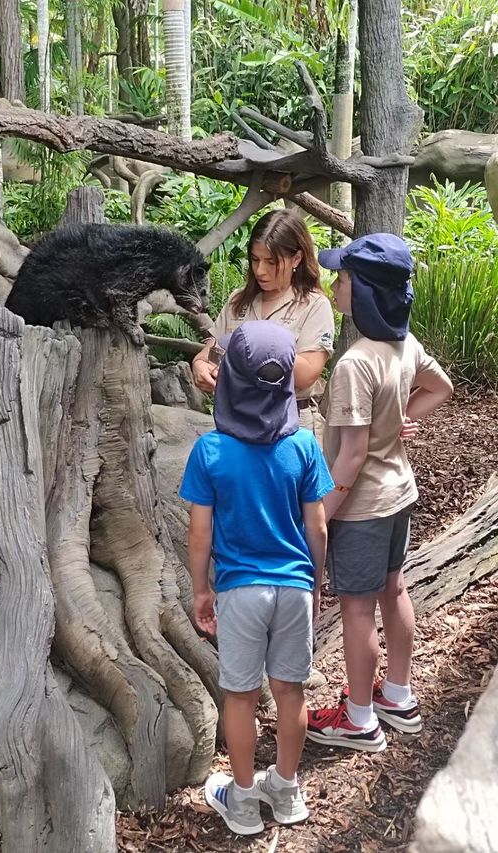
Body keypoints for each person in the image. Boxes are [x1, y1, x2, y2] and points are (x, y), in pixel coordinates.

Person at [179, 321, 334, 835]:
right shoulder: (305, 446)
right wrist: (314, 584)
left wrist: (202, 588)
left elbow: (200, 534)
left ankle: (242, 801)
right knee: (291, 692)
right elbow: (317, 525)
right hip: (292, 586)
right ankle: (286, 793)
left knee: (240, 696)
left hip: (240, 590)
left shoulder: (211, 452)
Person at [306, 234, 453, 753]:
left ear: (364, 292)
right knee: (395, 591)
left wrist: (320, 516)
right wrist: (402, 421)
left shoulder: (353, 364)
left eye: (342, 279)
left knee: (356, 608)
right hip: (400, 494)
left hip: (364, 506)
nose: (334, 285)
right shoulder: (404, 344)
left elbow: (350, 455)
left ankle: (361, 719)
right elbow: (442, 388)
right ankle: (398, 695)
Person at [191, 209, 335, 441]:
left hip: (293, 424)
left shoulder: (314, 305)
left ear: (296, 259)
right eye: (255, 260)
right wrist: (200, 365)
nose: (260, 270)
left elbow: (307, 375)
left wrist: (259, 342)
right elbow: (212, 352)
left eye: (271, 262)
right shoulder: (239, 300)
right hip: (239, 422)